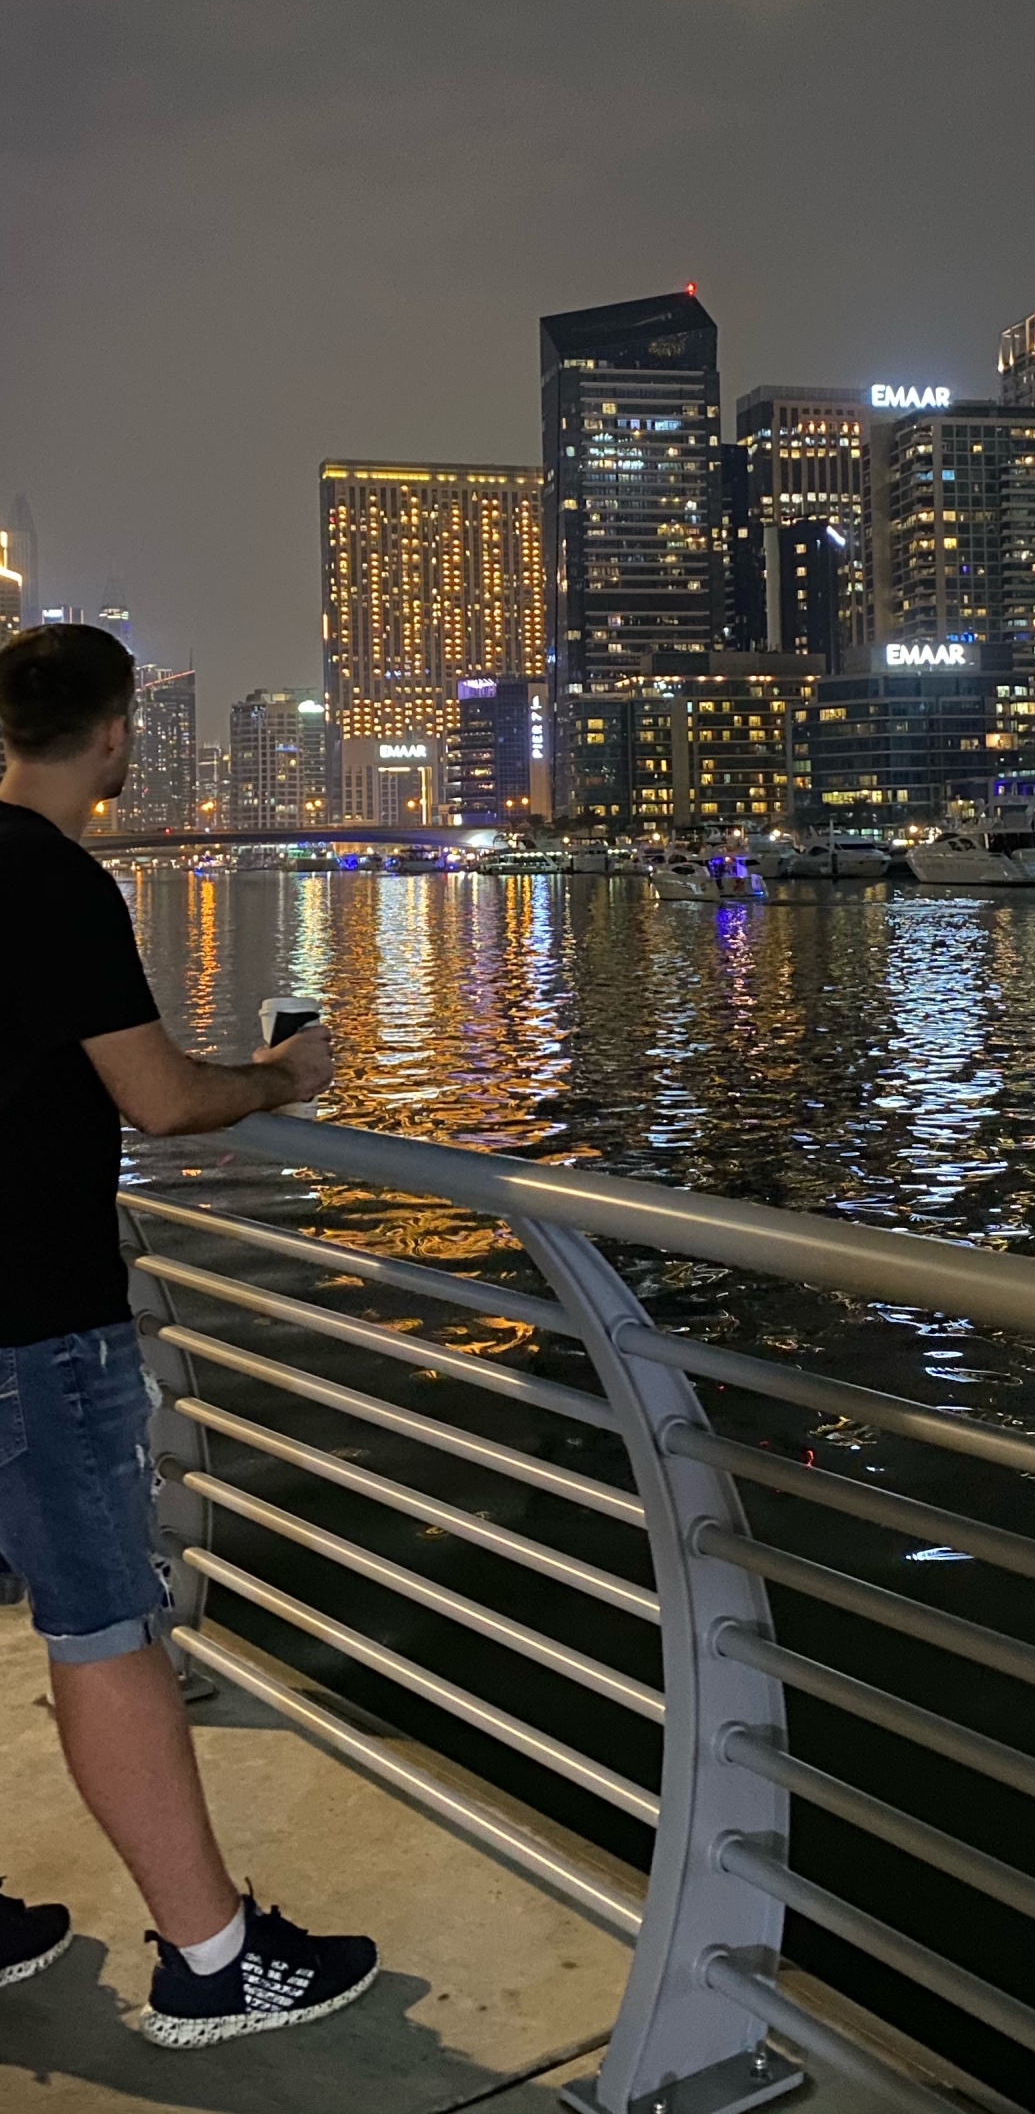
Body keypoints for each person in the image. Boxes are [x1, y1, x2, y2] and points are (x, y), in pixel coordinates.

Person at [0, 624, 377, 2047]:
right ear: (114, 740)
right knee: (103, 1633)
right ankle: (214, 1960)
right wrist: (277, 1076)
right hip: (32, 1325)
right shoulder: (54, 882)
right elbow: (159, 1099)